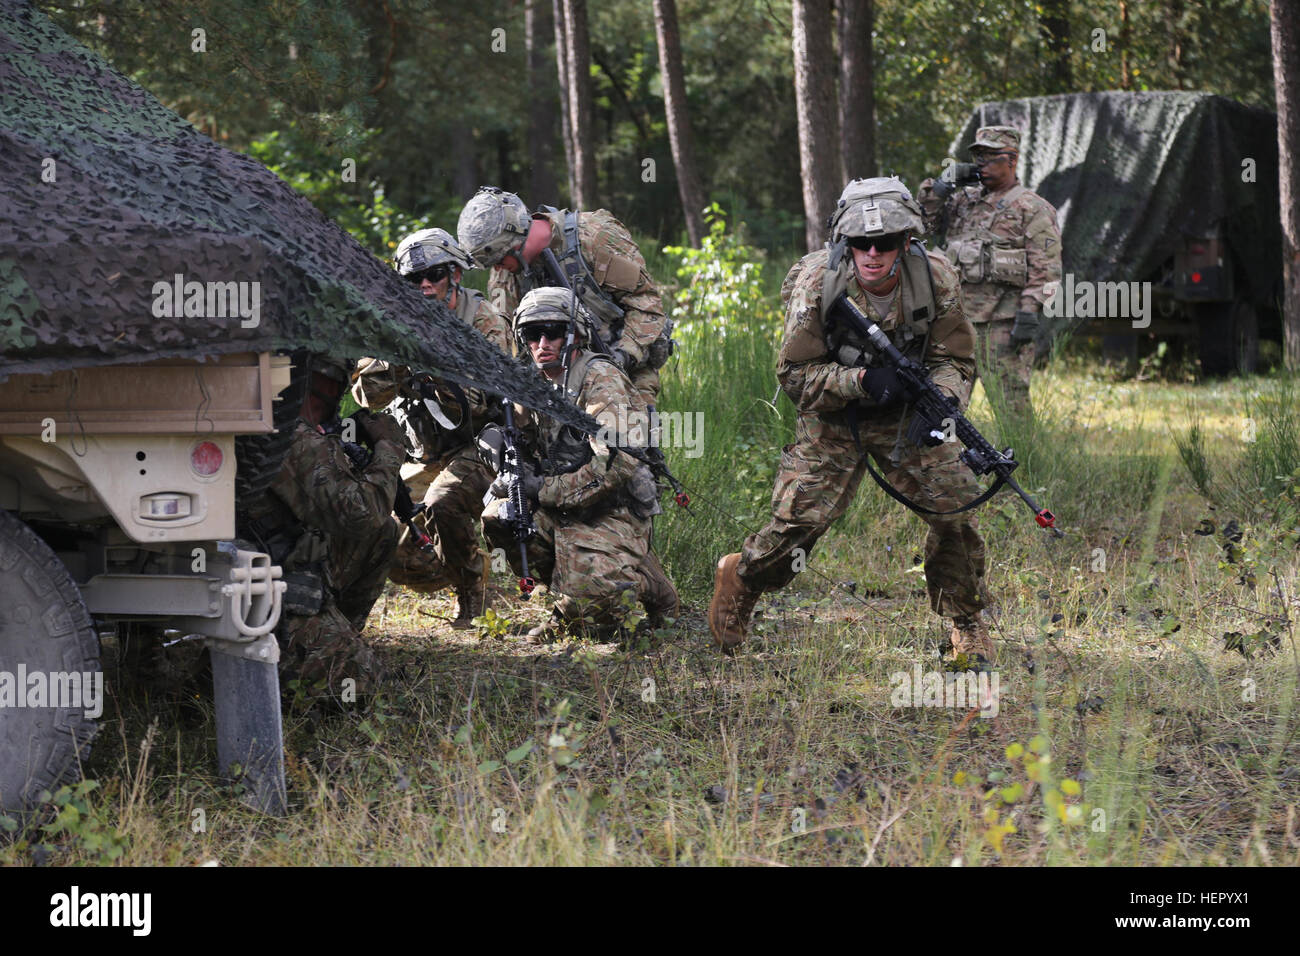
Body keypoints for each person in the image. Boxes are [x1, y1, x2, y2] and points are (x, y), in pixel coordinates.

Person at [708, 178, 995, 666]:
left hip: (907, 411)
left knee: (954, 509)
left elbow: (956, 358)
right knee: (801, 522)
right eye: (861, 242)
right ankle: (743, 578)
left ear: (907, 242)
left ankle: (963, 620)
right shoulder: (818, 281)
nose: (873, 253)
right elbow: (794, 375)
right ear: (846, 242)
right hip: (833, 418)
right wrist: (861, 380)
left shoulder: (936, 276)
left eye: (885, 243)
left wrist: (942, 403)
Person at [479, 287, 678, 643]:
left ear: (575, 334)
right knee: (501, 517)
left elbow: (616, 464)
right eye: (531, 334)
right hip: (564, 504)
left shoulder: (599, 378)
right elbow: (519, 438)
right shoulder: (530, 381)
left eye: (553, 331)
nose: (542, 342)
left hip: (612, 507)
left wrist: (545, 489)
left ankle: (644, 585)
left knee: (594, 592)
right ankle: (570, 598)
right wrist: (505, 460)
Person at [353, 228, 512, 627]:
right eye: (413, 279)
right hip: (425, 451)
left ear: (455, 274)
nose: (424, 285)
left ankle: (473, 593)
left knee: (443, 501)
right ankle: (460, 561)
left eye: (435, 274)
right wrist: (399, 356)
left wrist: (435, 357)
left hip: (482, 445)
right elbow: (364, 396)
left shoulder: (482, 321)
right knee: (383, 537)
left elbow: (476, 404)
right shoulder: (393, 324)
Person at [239, 355, 405, 700]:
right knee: (359, 685)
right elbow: (360, 512)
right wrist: (389, 448)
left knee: (383, 533)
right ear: (319, 382)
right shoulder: (288, 434)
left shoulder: (277, 421)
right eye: (337, 383)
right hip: (259, 590)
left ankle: (337, 633)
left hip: (271, 570)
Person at [456, 186, 671, 409]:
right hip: (553, 377)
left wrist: (623, 357)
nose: (498, 268)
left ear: (516, 240)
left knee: (626, 438)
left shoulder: (595, 237)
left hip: (626, 367)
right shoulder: (505, 275)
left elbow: (646, 303)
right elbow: (509, 339)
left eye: (500, 259)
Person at [918, 126, 1062, 422]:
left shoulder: (1032, 208)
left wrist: (1029, 312)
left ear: (1012, 160)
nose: (981, 163)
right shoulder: (961, 202)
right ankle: (942, 465)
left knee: (1012, 410)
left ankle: (1022, 464)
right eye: (977, 156)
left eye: (990, 156)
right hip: (955, 322)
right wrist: (939, 190)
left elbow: (1046, 269)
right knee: (943, 405)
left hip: (1002, 326)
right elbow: (920, 227)